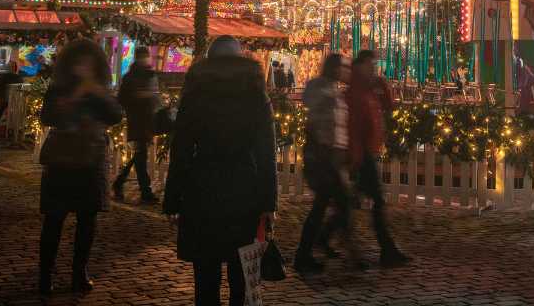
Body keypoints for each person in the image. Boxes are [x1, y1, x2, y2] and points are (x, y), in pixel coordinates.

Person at [164, 36, 278, 306]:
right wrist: (268, 203)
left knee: (206, 274)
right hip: (244, 189)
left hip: (202, 187)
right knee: (242, 273)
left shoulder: (196, 93)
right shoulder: (255, 94)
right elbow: (266, 153)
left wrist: (173, 200)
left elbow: (180, 150)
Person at [38, 39, 123, 296]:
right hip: (62, 158)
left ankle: (79, 272)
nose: (83, 66)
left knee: (88, 220)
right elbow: (48, 117)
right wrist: (76, 96)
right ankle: (45, 274)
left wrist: (95, 91)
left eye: (88, 62)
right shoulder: (59, 88)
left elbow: (115, 115)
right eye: (78, 62)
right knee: (54, 219)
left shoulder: (99, 89)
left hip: (91, 158)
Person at [347, 50, 409, 267]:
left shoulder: (369, 88)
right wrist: (356, 158)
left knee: (346, 204)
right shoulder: (355, 92)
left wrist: (383, 85)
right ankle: (387, 249)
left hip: (369, 151)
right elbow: (354, 127)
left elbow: (389, 107)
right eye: (370, 64)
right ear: (361, 66)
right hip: (362, 155)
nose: (374, 68)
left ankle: (321, 239)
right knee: (377, 202)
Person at [294, 53, 356, 273]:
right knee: (335, 205)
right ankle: (310, 252)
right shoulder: (325, 92)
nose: (348, 72)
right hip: (324, 157)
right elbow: (321, 126)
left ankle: (316, 246)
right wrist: (327, 151)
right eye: (344, 68)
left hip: (331, 156)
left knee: (329, 206)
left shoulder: (332, 90)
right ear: (335, 69)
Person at [113, 46, 161, 204]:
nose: (147, 59)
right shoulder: (131, 77)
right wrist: (139, 97)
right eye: (144, 56)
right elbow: (122, 99)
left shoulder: (149, 74)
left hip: (147, 119)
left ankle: (120, 182)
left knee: (140, 155)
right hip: (139, 119)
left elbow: (155, 96)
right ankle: (145, 191)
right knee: (141, 156)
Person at [0, 60, 23, 140]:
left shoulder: (2, 76)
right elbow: (20, 84)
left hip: (3, 99)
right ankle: (13, 135)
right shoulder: (15, 77)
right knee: (12, 118)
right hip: (11, 99)